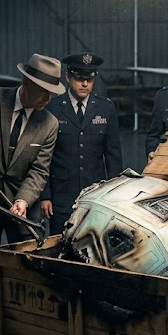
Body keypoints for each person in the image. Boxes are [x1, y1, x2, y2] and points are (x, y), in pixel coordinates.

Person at [0, 53, 62, 335]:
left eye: (52, 92)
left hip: (22, 206)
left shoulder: (50, 124)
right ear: (25, 82)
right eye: (43, 90)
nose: (47, 98)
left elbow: (39, 170)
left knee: (29, 270)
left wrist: (23, 201)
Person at [39, 53, 123, 235]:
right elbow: (43, 158)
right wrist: (45, 195)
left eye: (89, 79)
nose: (85, 84)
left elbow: (113, 158)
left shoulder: (105, 108)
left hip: (95, 198)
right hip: (61, 198)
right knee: (58, 249)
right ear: (68, 77)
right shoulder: (52, 109)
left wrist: (114, 197)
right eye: (79, 78)